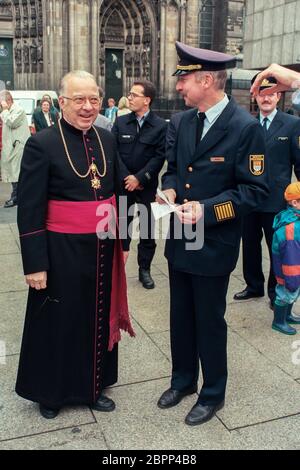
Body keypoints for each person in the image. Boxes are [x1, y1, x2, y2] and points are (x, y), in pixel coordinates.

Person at [156, 41, 269, 426]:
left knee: (208, 319)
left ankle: (212, 392)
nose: (179, 88)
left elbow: (254, 191)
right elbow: (174, 169)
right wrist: (169, 188)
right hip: (180, 239)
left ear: (207, 80)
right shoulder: (182, 121)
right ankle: (183, 380)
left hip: (214, 242)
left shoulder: (245, 128)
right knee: (180, 317)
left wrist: (206, 210)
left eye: (184, 79)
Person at [15, 70, 134, 419]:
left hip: (101, 247)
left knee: (95, 316)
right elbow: (30, 207)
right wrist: (35, 263)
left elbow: (116, 193)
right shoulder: (43, 143)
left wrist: (122, 241)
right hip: (59, 250)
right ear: (62, 102)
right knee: (58, 320)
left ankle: (93, 387)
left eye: (93, 99)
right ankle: (51, 393)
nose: (87, 107)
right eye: (79, 99)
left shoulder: (107, 139)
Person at [234, 75, 300, 309]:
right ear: (255, 96)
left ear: (279, 96)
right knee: (249, 245)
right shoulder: (245, 124)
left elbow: (298, 162)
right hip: (249, 199)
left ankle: (275, 291)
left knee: (277, 248)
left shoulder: (292, 124)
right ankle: (253, 286)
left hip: (277, 200)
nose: (267, 98)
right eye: (262, 93)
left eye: (271, 93)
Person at [112, 80, 167, 289]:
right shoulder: (121, 122)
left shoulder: (161, 126)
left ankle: (145, 270)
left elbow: (159, 156)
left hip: (146, 188)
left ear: (147, 100)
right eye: (130, 94)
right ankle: (118, 270)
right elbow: (114, 153)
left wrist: (140, 178)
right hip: (124, 186)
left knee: (147, 231)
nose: (130, 97)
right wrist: (128, 178)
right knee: (120, 229)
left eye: (134, 95)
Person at [272, 182, 300, 335]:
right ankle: (278, 321)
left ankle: (287, 315)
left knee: (291, 294)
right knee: (285, 294)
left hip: (295, 269)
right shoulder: (291, 228)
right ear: (295, 202)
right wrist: (293, 279)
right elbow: (290, 257)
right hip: (289, 272)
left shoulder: (295, 219)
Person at [0, 91, 30, 208]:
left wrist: (5, 110)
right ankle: (16, 196)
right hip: (12, 147)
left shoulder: (19, 110)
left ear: (8, 101)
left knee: (16, 172)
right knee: (13, 172)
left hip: (18, 146)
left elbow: (11, 122)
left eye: (1, 102)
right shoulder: (8, 111)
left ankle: (16, 197)